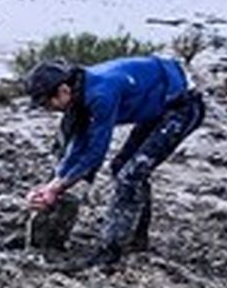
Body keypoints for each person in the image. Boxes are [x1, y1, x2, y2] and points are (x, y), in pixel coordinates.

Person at [23, 55, 206, 269]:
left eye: (47, 102)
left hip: (182, 107)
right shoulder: (79, 92)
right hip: (157, 106)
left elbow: (95, 154)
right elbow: (77, 145)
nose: (48, 109)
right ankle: (137, 239)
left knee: (131, 175)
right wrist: (53, 184)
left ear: (63, 90)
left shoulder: (101, 94)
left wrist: (57, 187)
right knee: (122, 167)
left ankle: (110, 253)